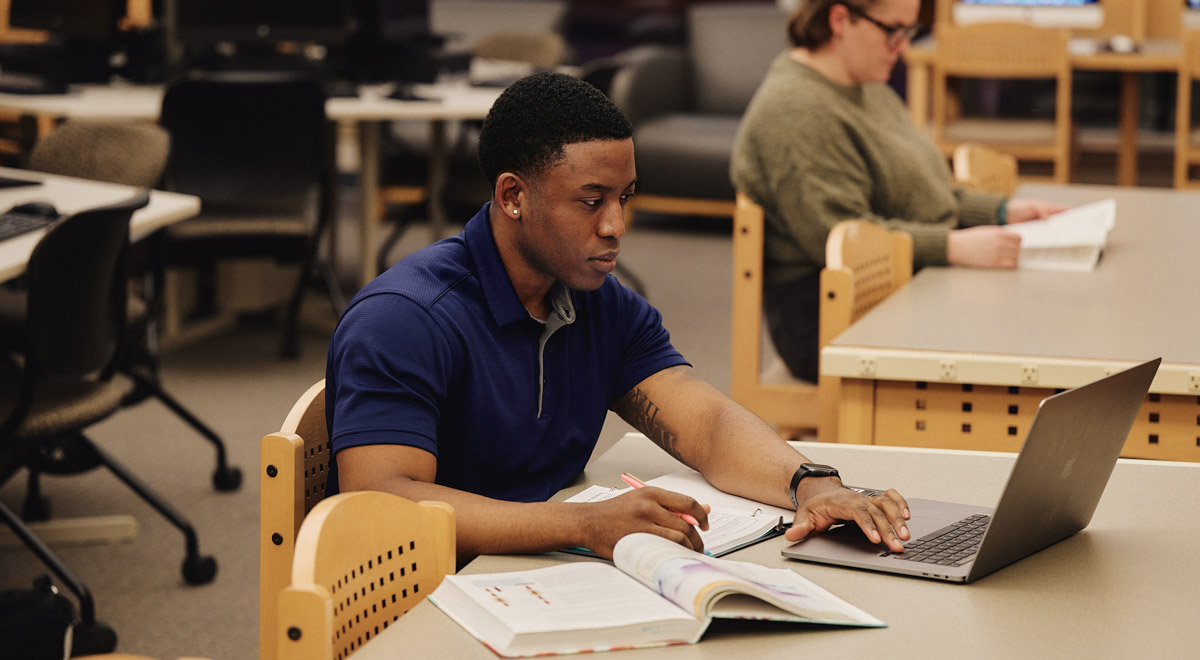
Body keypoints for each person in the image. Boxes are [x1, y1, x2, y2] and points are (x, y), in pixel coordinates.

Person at [326, 72, 910, 564]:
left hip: (540, 575)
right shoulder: (405, 320)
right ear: (512, 196)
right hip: (426, 598)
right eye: (590, 200)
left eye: (624, 198)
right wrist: (581, 526)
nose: (615, 226)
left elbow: (705, 423)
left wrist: (814, 484)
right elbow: (383, 500)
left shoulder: (596, 299)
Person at [730, 0, 1068, 383]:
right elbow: (839, 236)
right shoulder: (795, 111)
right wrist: (952, 247)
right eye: (893, 30)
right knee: (1030, 327)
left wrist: (1001, 212)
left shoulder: (865, 86)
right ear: (840, 19)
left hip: (894, 284)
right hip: (829, 318)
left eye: (910, 32)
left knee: (1039, 308)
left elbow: (921, 195)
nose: (903, 47)